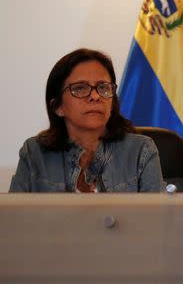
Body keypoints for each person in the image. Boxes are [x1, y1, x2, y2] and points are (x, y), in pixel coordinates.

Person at [9, 48, 164, 192]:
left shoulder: (141, 151)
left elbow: (158, 219)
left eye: (103, 87)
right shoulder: (34, 153)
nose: (95, 96)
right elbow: (14, 219)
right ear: (58, 107)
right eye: (80, 88)